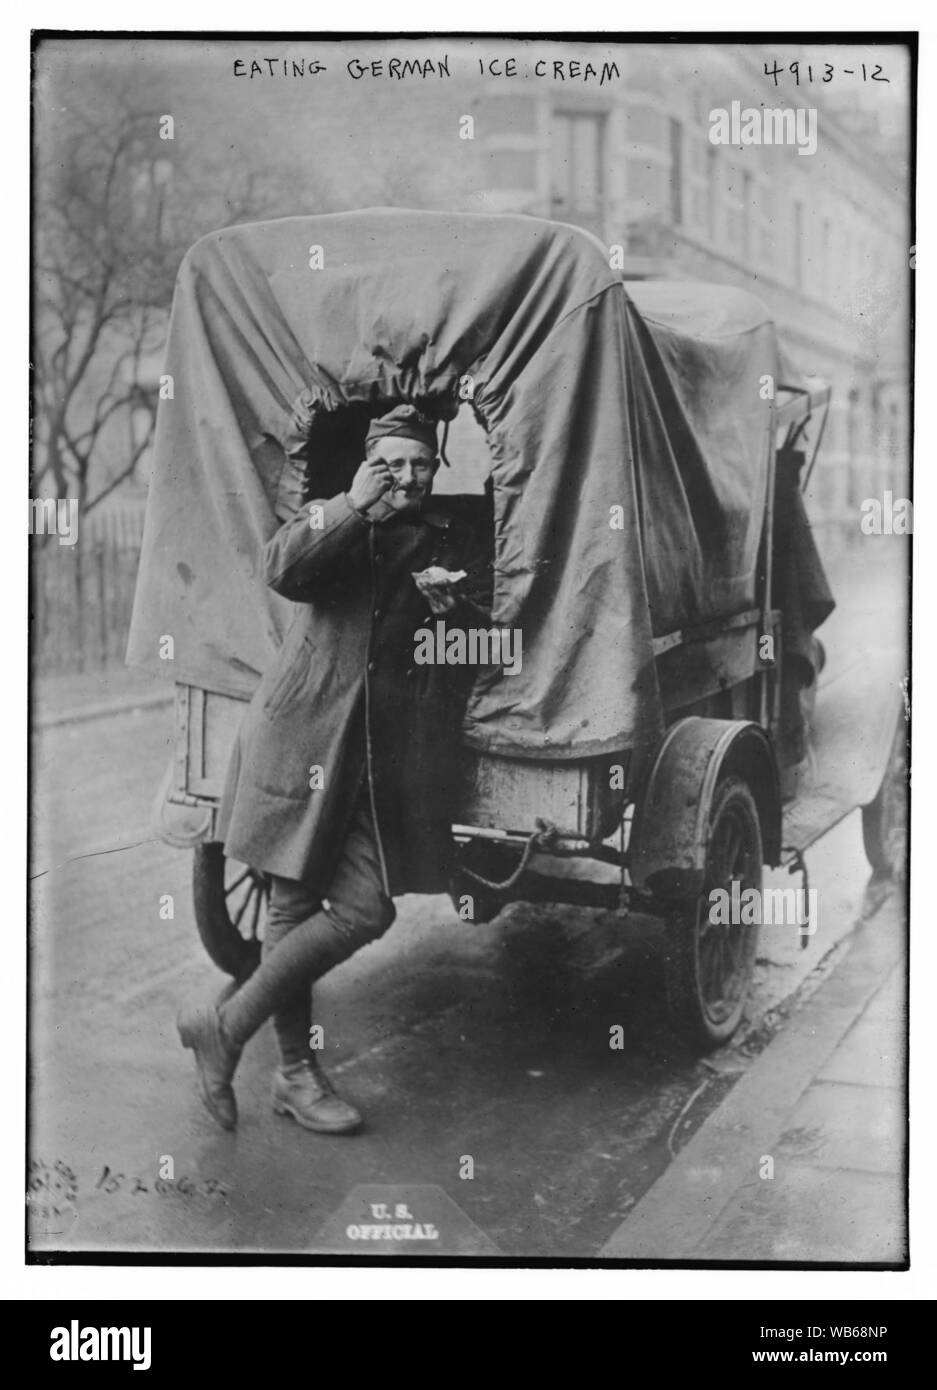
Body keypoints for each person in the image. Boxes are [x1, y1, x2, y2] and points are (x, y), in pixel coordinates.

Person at [178, 404, 493, 1134]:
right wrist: (352, 505)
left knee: (364, 908)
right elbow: (282, 569)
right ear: (367, 464)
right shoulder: (335, 517)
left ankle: (222, 1030)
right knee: (289, 912)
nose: (405, 477)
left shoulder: (450, 539)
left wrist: (452, 617)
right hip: (301, 738)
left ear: (434, 469)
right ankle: (293, 1075)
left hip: (374, 759)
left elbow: (474, 658)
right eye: (390, 463)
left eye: (418, 464)